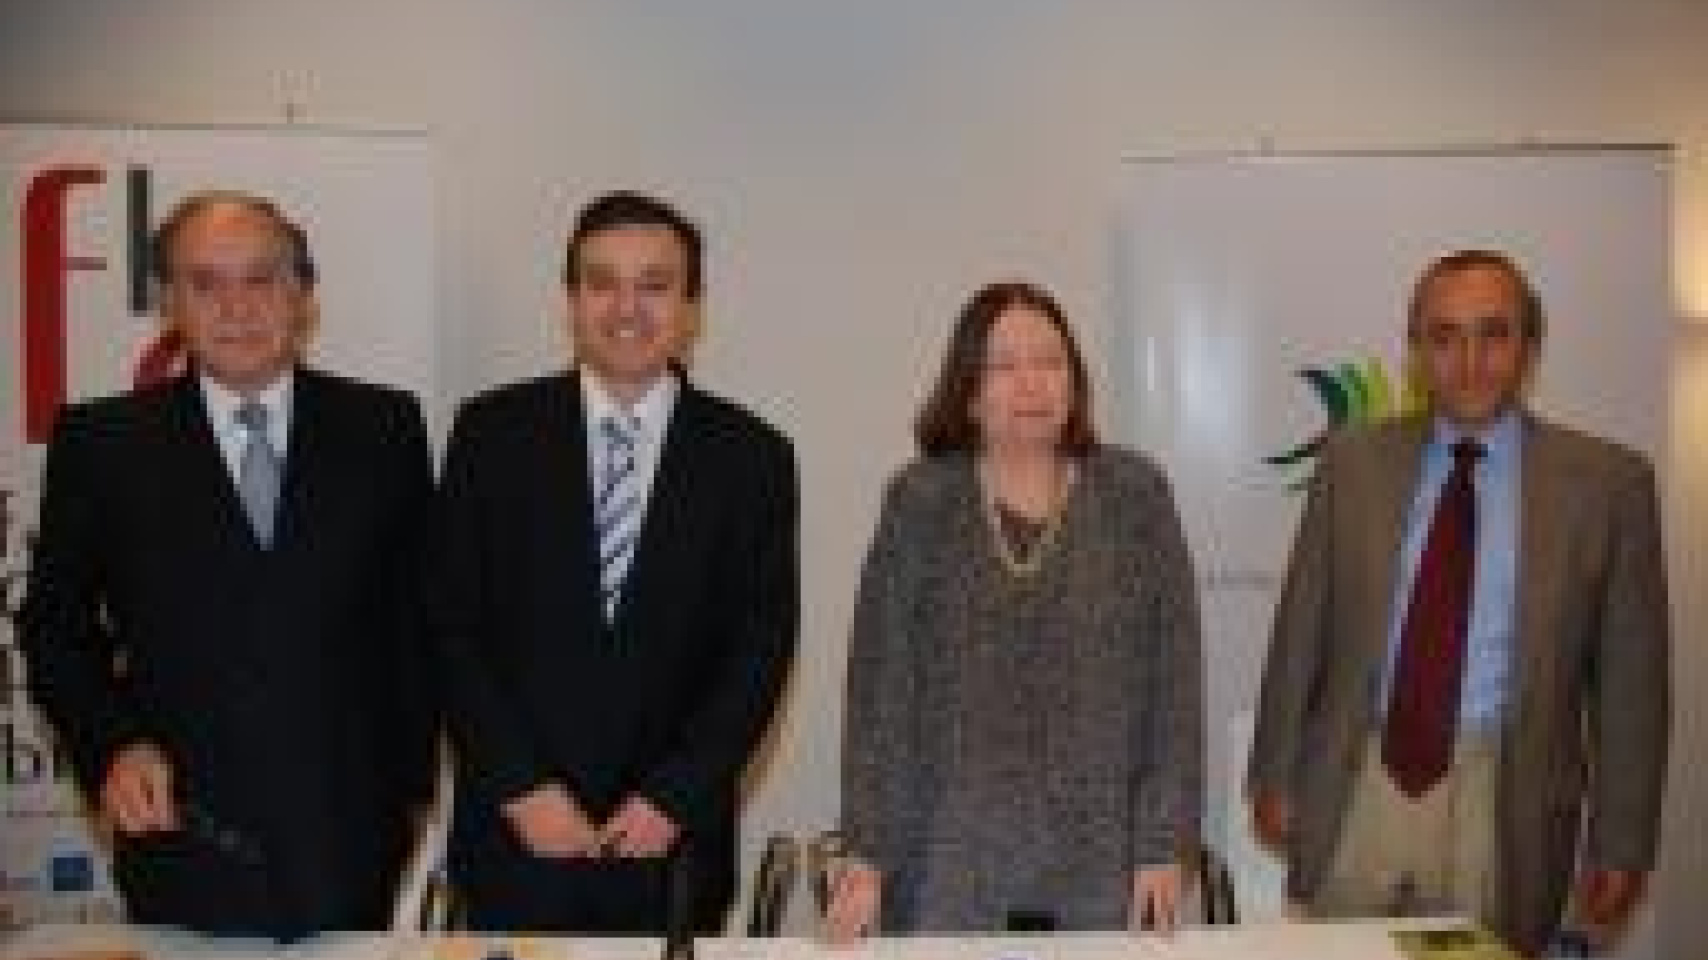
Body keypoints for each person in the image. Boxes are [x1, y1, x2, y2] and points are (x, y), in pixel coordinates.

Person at [18, 191, 437, 937]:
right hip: (183, 832)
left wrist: (405, 786)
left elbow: (419, 620)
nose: (236, 308)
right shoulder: (102, 444)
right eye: (205, 283)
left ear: (303, 293)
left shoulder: (385, 428)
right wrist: (113, 745)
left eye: (261, 279)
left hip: (350, 835)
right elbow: (55, 627)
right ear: (169, 303)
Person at [1246, 250, 1671, 956]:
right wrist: (1273, 772)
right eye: (1444, 337)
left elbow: (1633, 685)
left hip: (1503, 791)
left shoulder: (1609, 485)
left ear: (1530, 346)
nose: (1469, 361)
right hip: (1364, 777)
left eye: (1493, 334)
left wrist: (1623, 840)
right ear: (1415, 352)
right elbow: (1301, 630)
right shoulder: (1352, 463)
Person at [432, 190, 798, 933]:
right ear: (571, 300)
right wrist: (521, 786)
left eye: (654, 285)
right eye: (602, 283)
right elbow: (447, 625)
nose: (627, 307)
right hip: (515, 842)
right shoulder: (489, 436)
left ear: (691, 308)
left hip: (669, 850)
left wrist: (674, 797)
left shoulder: (752, 457)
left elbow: (759, 649)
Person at [827, 280, 1204, 938]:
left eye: (1051, 361)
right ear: (968, 391)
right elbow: (880, 693)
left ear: (1074, 380)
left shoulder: (1135, 496)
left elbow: (1173, 686)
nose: (1032, 384)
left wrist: (1163, 842)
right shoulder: (920, 503)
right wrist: (867, 851)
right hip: (946, 862)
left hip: (1104, 864)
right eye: (1004, 365)